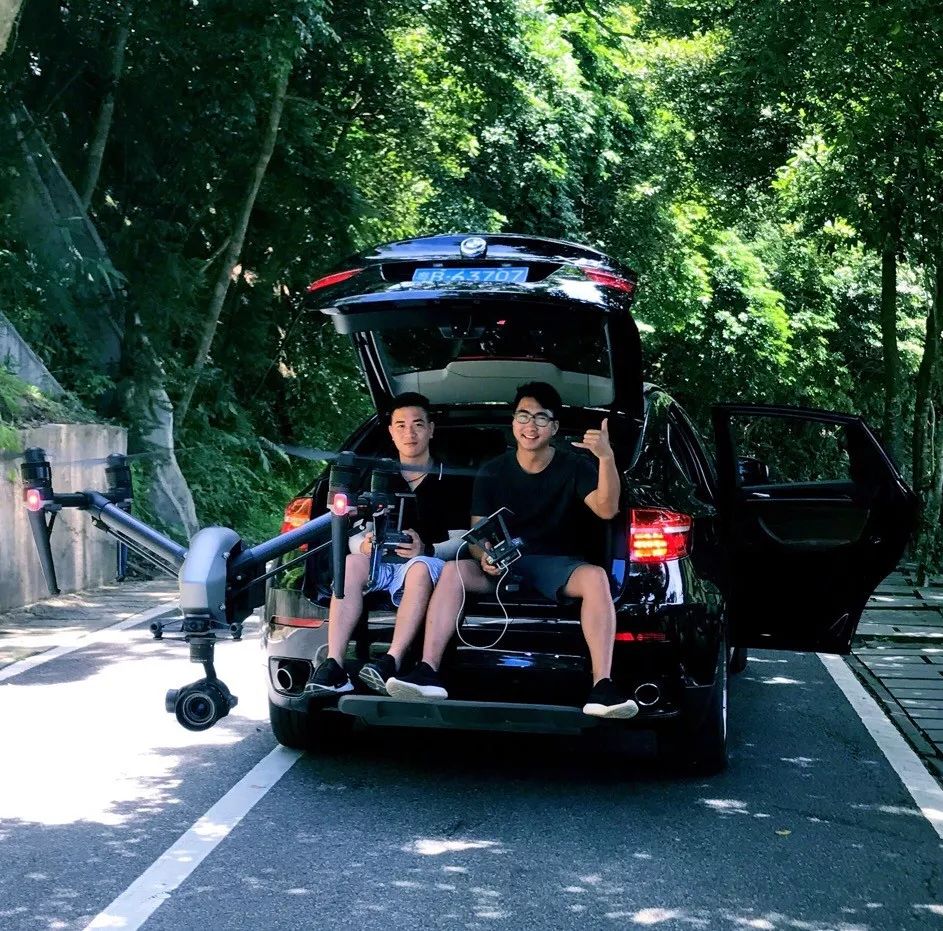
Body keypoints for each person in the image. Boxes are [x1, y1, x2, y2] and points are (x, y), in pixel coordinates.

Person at [386, 381, 638, 719]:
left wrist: (606, 458)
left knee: (596, 578)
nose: (530, 426)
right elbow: (476, 537)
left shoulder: (576, 466)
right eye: (523, 416)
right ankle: (427, 671)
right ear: (513, 422)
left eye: (540, 417)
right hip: (504, 565)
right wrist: (485, 557)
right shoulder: (492, 470)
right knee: (452, 570)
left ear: (554, 427)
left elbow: (607, 509)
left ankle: (602, 687)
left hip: (556, 565)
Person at [309, 393, 469, 696]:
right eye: (401, 425)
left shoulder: (453, 480)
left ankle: (391, 660)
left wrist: (427, 549)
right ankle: (334, 664)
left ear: (431, 429)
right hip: (380, 562)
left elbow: (465, 540)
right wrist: (364, 545)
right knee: (351, 563)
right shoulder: (377, 476)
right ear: (391, 432)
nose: (410, 433)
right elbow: (351, 532)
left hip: (428, 563)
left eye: (418, 424)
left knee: (420, 567)